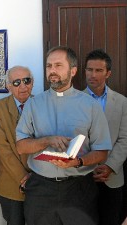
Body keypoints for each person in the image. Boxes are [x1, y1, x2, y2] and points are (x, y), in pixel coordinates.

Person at [16, 46, 112, 225]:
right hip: (41, 189)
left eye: (58, 65)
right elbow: (21, 146)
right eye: (48, 66)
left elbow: (102, 151)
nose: (52, 70)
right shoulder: (33, 104)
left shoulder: (90, 105)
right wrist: (46, 141)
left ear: (73, 70)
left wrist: (78, 162)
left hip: (79, 188)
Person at [83, 49, 127, 225]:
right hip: (83, 177)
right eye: (89, 69)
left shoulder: (122, 102)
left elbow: (124, 139)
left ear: (108, 73)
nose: (92, 75)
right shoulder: (74, 101)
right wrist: (89, 165)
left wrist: (109, 166)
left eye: (98, 70)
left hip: (112, 177)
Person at [0, 66, 33, 225]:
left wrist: (35, 177)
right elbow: (4, 150)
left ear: (32, 83)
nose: (23, 86)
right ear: (8, 86)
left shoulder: (42, 104)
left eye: (26, 81)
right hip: (11, 182)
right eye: (16, 82)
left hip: (40, 181)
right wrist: (25, 178)